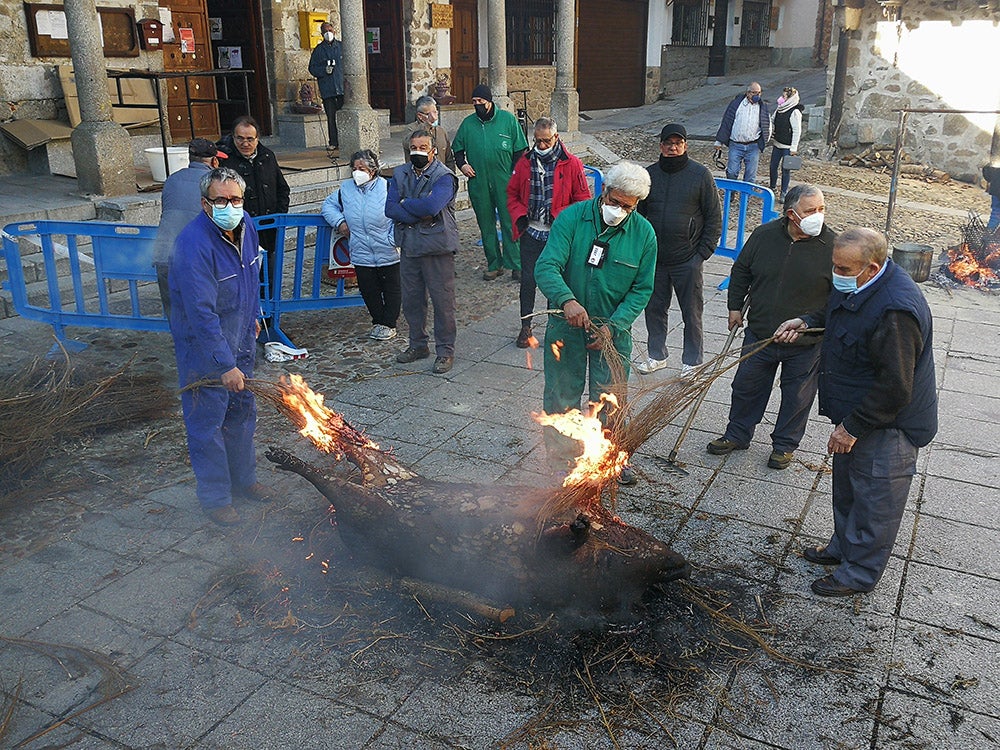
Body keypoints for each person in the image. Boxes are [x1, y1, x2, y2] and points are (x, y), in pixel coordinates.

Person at [775, 227, 938, 596]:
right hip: (855, 412)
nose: (837, 275)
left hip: (888, 424)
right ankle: (842, 549)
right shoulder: (860, 283)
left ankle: (859, 574)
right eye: (835, 266)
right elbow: (837, 309)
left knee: (875, 501)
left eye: (844, 270)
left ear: (873, 267)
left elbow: (896, 387)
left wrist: (852, 428)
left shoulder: (896, 310)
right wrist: (807, 320)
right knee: (848, 487)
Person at [534, 161, 657, 484]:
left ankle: (613, 455)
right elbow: (547, 266)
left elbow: (641, 289)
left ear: (637, 205)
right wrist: (567, 300)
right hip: (566, 324)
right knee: (562, 393)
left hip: (612, 331)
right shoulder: (572, 219)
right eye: (613, 202)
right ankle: (561, 458)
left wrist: (614, 326)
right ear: (604, 192)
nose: (617, 210)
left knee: (611, 397)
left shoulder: (643, 234)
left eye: (626, 207)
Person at [168, 167, 273, 526]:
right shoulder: (193, 245)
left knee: (243, 414)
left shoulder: (247, 227)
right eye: (221, 200)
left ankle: (244, 480)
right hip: (205, 348)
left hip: (242, 333)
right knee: (207, 421)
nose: (230, 205)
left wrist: (255, 314)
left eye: (235, 199)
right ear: (204, 203)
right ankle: (215, 498)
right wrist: (223, 364)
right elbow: (200, 313)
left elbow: (251, 275)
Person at [706, 184, 834, 470]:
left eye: (821, 209)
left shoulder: (833, 246)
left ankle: (784, 445)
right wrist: (735, 306)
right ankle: (737, 434)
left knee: (798, 396)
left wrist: (810, 322)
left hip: (805, 340)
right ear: (791, 214)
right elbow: (741, 270)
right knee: (746, 386)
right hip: (761, 332)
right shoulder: (764, 236)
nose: (818, 216)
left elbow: (839, 299)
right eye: (810, 211)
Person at [635, 123, 722, 376]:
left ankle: (692, 363)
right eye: (668, 143)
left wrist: (702, 254)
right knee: (653, 309)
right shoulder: (648, 176)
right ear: (661, 146)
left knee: (692, 313)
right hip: (656, 259)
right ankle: (656, 355)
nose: (673, 147)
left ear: (685, 145)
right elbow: (638, 216)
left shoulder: (701, 175)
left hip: (688, 259)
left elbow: (714, 217)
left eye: (678, 143)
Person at [506, 117, 591, 348]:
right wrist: (519, 216)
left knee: (556, 282)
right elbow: (511, 194)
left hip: (557, 234)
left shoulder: (572, 164)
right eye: (537, 141)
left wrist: (561, 216)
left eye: (545, 141)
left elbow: (583, 201)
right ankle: (526, 327)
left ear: (556, 138)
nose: (541, 146)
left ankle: (557, 328)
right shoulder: (525, 162)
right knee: (528, 279)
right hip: (532, 231)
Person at [385, 130, 459, 374]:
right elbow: (391, 208)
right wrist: (417, 212)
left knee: (442, 301)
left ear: (433, 149)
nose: (418, 150)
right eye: (414, 146)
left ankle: (445, 350)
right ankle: (418, 345)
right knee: (412, 301)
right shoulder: (400, 173)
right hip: (409, 246)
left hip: (437, 247)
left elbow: (433, 205)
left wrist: (407, 205)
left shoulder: (444, 176)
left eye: (423, 146)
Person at [452, 84, 529, 281]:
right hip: (479, 182)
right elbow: (457, 149)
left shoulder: (508, 120)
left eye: (481, 101)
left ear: (489, 101)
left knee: (510, 222)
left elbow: (520, 151)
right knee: (486, 225)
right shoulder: (468, 124)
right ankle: (494, 264)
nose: (477, 105)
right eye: (474, 102)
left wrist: (515, 175)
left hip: (505, 182)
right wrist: (463, 166)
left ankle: (517, 265)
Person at [321, 150, 400, 341]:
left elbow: (400, 213)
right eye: (354, 168)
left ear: (372, 170)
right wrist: (340, 222)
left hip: (387, 248)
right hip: (360, 249)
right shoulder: (346, 189)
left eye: (362, 168)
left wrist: (393, 239)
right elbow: (328, 206)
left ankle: (389, 323)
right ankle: (378, 321)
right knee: (368, 289)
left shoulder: (387, 188)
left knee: (392, 288)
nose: (357, 172)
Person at [153, 138, 227, 317]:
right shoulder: (214, 183)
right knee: (204, 318)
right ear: (214, 161)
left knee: (177, 318)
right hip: (196, 258)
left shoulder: (172, 180)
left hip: (165, 256)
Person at [221, 115, 290, 301]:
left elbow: (283, 189)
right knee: (243, 280)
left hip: (269, 231)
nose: (245, 143)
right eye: (240, 138)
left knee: (269, 277)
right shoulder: (225, 161)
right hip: (240, 232)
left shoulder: (267, 156)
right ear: (233, 138)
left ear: (257, 138)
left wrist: (279, 216)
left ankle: (268, 318)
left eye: (250, 139)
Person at [714, 81, 771, 183]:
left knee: (750, 176)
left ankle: (746, 197)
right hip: (736, 144)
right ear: (748, 93)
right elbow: (726, 122)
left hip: (753, 145)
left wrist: (766, 139)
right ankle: (731, 194)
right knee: (732, 172)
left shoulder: (762, 107)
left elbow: (767, 123)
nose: (757, 95)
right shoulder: (736, 105)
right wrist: (719, 142)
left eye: (759, 93)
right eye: (754, 93)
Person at [307, 22, 345, 150]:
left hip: (342, 88)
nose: (328, 33)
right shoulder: (318, 50)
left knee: (344, 116)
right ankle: (333, 142)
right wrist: (324, 70)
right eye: (325, 31)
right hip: (328, 89)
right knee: (331, 117)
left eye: (330, 30)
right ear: (322, 33)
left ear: (334, 31)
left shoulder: (341, 47)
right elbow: (312, 68)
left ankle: (345, 140)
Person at [401, 95, 456, 173]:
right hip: (419, 176)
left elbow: (449, 158)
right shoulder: (410, 129)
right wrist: (426, 124)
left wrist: (451, 176)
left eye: (435, 112)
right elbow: (408, 143)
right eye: (430, 114)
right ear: (420, 116)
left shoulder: (441, 131)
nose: (434, 117)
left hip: (440, 176)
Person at [769, 86, 804, 202]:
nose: (781, 98)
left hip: (787, 146)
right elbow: (772, 120)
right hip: (777, 143)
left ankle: (783, 192)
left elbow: (797, 130)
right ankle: (772, 187)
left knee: (785, 170)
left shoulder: (795, 112)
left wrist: (793, 148)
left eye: (784, 96)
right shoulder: (779, 109)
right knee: (773, 166)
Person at [982, 164, 1000, 230]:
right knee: (996, 213)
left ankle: (988, 236)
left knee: (995, 214)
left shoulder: (996, 157)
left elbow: (987, 170)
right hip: (997, 189)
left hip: (996, 189)